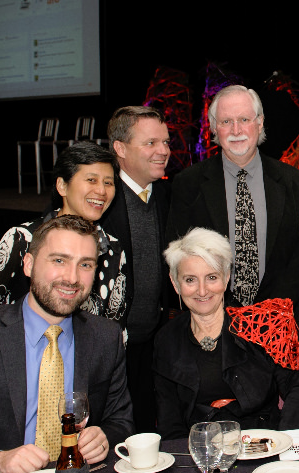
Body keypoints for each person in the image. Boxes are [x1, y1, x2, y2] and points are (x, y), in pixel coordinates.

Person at [0, 215, 134, 473]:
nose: (72, 278)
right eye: (59, 260)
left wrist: (104, 437)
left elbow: (121, 421)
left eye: (85, 264)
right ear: (28, 264)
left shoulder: (106, 337)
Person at [152, 228, 299, 439]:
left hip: (263, 442)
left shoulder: (263, 326)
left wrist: (283, 441)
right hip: (202, 449)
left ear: (227, 277)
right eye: (190, 280)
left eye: (212, 277)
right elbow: (170, 419)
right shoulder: (166, 339)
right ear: (175, 283)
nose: (202, 291)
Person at [166, 85, 299, 318]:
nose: (236, 130)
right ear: (214, 127)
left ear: (260, 122)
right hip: (211, 317)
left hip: (278, 318)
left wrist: (272, 308)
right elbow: (179, 251)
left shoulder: (293, 182)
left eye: (244, 119)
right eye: (226, 122)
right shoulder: (188, 183)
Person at [0, 142, 128, 323]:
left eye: (108, 182)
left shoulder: (113, 248)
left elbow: (115, 325)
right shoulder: (22, 238)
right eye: (91, 180)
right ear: (62, 186)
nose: (101, 191)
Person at [103, 105, 172, 433]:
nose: (163, 151)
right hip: (111, 345)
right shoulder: (98, 199)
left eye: (166, 142)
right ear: (120, 148)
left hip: (155, 337)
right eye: (151, 143)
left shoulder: (168, 195)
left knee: (149, 425)